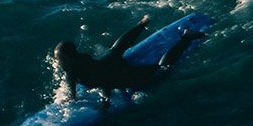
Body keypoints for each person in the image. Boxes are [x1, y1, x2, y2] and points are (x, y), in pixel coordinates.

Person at [54, 15, 205, 107]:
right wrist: (71, 97)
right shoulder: (81, 59)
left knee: (161, 70)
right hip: (108, 63)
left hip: (118, 75)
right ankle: (142, 23)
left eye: (59, 59)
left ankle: (187, 37)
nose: (57, 62)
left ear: (67, 59)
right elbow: (75, 92)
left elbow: (104, 83)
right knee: (117, 49)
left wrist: (105, 103)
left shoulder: (74, 72)